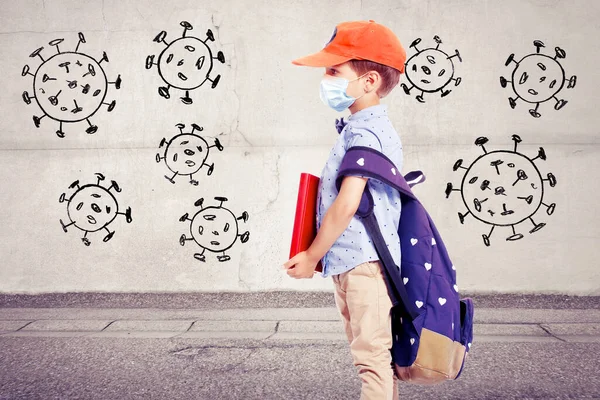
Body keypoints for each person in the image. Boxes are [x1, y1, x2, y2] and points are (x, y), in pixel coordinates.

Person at [283, 20, 407, 400]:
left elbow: (348, 203)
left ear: (369, 81)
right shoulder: (361, 127)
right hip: (352, 264)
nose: (326, 78)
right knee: (371, 358)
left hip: (363, 267)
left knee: (372, 361)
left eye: (335, 70)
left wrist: (311, 256)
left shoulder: (365, 132)